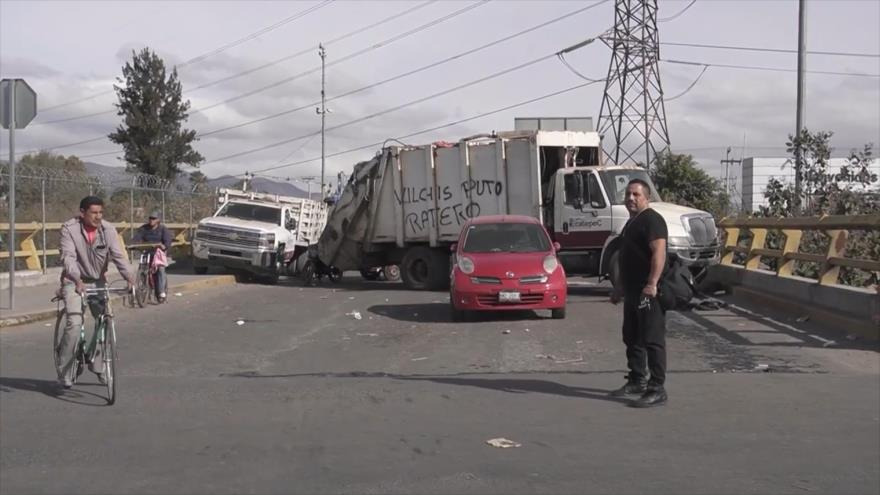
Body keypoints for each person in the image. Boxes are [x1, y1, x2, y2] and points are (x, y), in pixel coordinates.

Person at [56, 196, 134, 389]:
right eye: (94, 213)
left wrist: (130, 278)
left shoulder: (108, 230)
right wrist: (76, 279)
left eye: (101, 212)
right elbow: (68, 257)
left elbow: (118, 255)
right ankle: (64, 369)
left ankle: (98, 366)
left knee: (104, 320)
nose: (98, 217)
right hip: (74, 281)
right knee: (74, 322)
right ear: (82, 213)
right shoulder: (69, 229)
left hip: (98, 280)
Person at [609, 179, 669, 408]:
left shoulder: (652, 220)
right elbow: (627, 258)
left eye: (636, 194)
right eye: (628, 194)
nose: (631, 198)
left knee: (652, 338)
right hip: (633, 292)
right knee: (632, 336)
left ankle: (657, 388)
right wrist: (620, 288)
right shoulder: (632, 222)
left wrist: (652, 283)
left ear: (647, 198)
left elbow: (659, 253)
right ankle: (637, 380)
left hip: (647, 292)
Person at [132, 210, 173, 302]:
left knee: (161, 269)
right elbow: (137, 238)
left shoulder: (163, 229)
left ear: (158, 220)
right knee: (141, 267)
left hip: (158, 254)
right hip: (147, 252)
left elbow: (167, 241)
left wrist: (164, 246)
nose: (151, 220)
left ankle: (161, 291)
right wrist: (134, 244)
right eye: (150, 218)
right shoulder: (143, 228)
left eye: (154, 218)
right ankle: (143, 286)